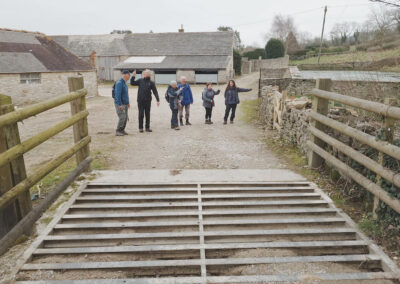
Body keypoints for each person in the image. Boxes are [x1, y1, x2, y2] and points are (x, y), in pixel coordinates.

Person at [114, 70, 131, 136]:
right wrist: (119, 104)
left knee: (125, 117)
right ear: (125, 75)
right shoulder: (119, 83)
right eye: (128, 75)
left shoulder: (125, 83)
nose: (129, 77)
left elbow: (125, 94)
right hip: (120, 103)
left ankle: (122, 130)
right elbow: (117, 95)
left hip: (125, 103)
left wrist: (128, 103)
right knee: (122, 117)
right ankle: (118, 131)